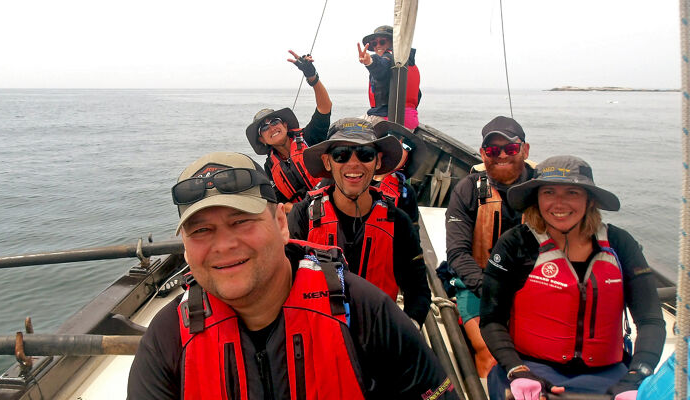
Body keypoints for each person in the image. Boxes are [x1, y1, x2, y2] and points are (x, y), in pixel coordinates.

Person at [127, 151, 457, 400]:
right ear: (185, 248)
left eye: (242, 221)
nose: (224, 245)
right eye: (201, 230)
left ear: (281, 224)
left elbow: (435, 393)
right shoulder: (167, 339)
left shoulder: (365, 310)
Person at [480, 155, 666, 400]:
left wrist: (637, 375)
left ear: (589, 200)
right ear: (537, 198)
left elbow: (650, 319)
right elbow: (492, 319)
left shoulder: (621, 244)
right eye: (548, 192)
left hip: (609, 375)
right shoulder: (515, 244)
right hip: (530, 369)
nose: (559, 203)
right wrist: (517, 369)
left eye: (572, 193)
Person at [287, 118, 432, 327]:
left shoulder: (399, 222)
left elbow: (417, 289)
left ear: (378, 162)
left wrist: (410, 326)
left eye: (365, 155)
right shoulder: (303, 216)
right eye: (341, 155)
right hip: (321, 335)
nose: (353, 164)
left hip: (378, 334)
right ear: (328, 162)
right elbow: (287, 283)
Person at [444, 115, 535, 377]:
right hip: (480, 286)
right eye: (494, 150)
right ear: (484, 154)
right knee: (489, 350)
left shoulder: (544, 190)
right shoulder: (468, 190)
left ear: (525, 150)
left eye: (511, 148)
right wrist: (492, 290)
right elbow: (457, 253)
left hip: (535, 286)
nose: (502, 155)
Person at [245, 50, 332, 206]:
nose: (271, 128)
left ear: (285, 124)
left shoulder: (309, 137)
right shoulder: (269, 166)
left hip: (333, 201)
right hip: (304, 216)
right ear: (262, 139)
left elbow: (325, 107)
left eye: (275, 122)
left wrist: (312, 76)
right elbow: (277, 199)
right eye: (264, 128)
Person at [357, 25, 421, 130]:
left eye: (382, 42)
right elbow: (418, 95)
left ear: (392, 43)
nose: (377, 46)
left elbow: (380, 67)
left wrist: (369, 62)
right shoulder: (408, 64)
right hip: (410, 121)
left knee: (344, 127)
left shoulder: (388, 58)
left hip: (387, 119)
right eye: (374, 43)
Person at [372, 120, 425, 229]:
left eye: (407, 146)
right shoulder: (355, 177)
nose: (399, 146)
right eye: (393, 138)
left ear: (406, 161)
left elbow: (412, 235)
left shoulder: (407, 194)